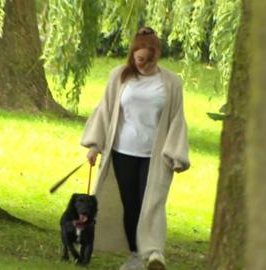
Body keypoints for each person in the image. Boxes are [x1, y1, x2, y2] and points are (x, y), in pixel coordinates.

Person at [80, 26, 190, 270]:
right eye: (139, 60)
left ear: (157, 56)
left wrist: (178, 154)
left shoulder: (171, 83)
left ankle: (154, 253)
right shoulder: (120, 76)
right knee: (131, 205)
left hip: (156, 155)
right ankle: (135, 255)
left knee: (152, 203)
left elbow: (176, 119)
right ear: (132, 55)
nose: (143, 65)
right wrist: (95, 145)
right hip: (123, 152)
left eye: (149, 61)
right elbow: (105, 111)